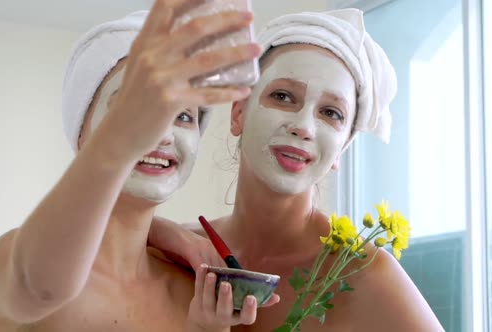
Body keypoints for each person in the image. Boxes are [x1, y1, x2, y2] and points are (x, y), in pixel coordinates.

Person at [0, 1, 268, 330]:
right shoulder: (15, 260)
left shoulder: (194, 295)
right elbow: (42, 286)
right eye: (139, 107)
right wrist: (121, 139)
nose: (162, 133)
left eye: (183, 116)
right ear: (83, 134)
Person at [149, 8, 445, 332]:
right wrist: (160, 232)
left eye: (331, 113)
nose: (304, 127)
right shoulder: (174, 253)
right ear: (238, 114)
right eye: (283, 96)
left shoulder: (364, 274)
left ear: (341, 150)